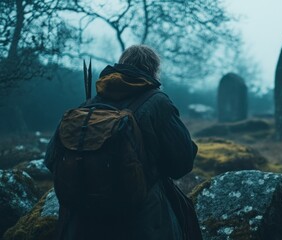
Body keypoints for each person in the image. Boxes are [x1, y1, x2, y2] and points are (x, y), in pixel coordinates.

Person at [44, 45, 200, 240]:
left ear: (121, 65)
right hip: (142, 221)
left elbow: (51, 159)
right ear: (154, 70)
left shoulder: (89, 105)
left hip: (83, 223)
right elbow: (182, 164)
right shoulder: (158, 102)